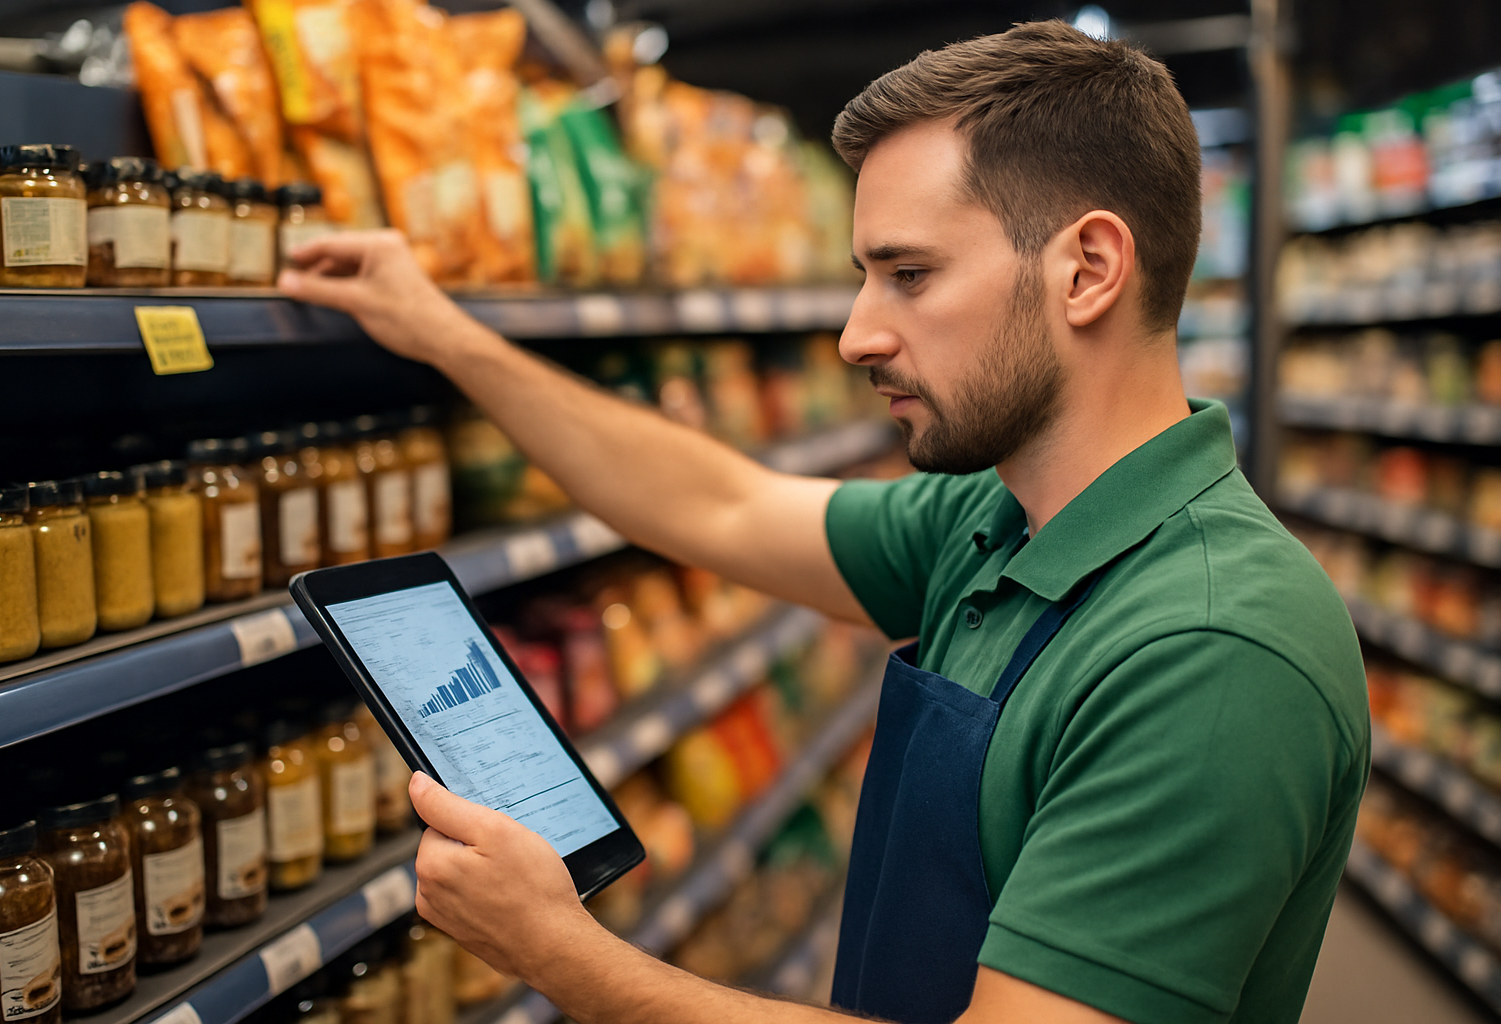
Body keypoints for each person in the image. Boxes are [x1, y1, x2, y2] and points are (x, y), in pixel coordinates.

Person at [279, 20, 1367, 1024]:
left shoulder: (1214, 649)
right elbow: (720, 501)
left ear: (1087, 269)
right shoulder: (993, 523)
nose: (855, 335)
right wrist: (445, 334)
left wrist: (561, 951)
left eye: (908, 275)